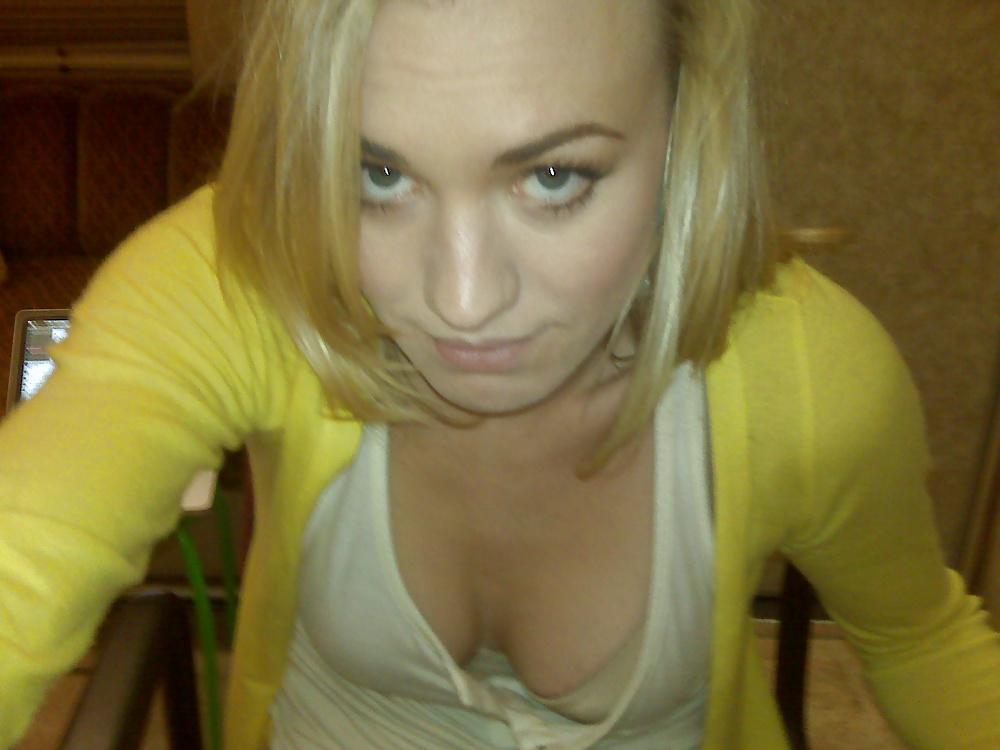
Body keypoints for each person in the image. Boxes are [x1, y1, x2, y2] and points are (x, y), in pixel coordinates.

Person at [1, 1, 998, 748]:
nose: (463, 302)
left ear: (687, 122)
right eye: (378, 174)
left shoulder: (809, 374)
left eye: (553, 177)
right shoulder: (244, 271)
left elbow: (919, 641)